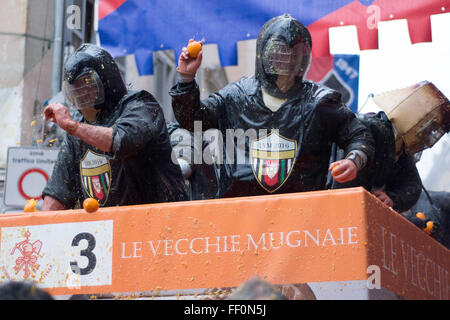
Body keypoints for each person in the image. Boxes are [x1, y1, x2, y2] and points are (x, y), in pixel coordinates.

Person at [170, 14, 374, 197]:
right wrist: (186, 78)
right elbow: (193, 120)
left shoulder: (319, 102)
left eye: (296, 53)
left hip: (304, 214)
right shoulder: (237, 95)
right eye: (280, 52)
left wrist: (354, 160)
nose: (289, 60)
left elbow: (358, 134)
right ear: (264, 53)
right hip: (241, 211)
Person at [41, 44, 187, 210]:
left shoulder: (142, 105)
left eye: (88, 85)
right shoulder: (76, 132)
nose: (82, 95)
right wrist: (41, 230)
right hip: (106, 229)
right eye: (75, 90)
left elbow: (121, 141)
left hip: (159, 224)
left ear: (107, 82)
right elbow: (57, 194)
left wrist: (71, 126)